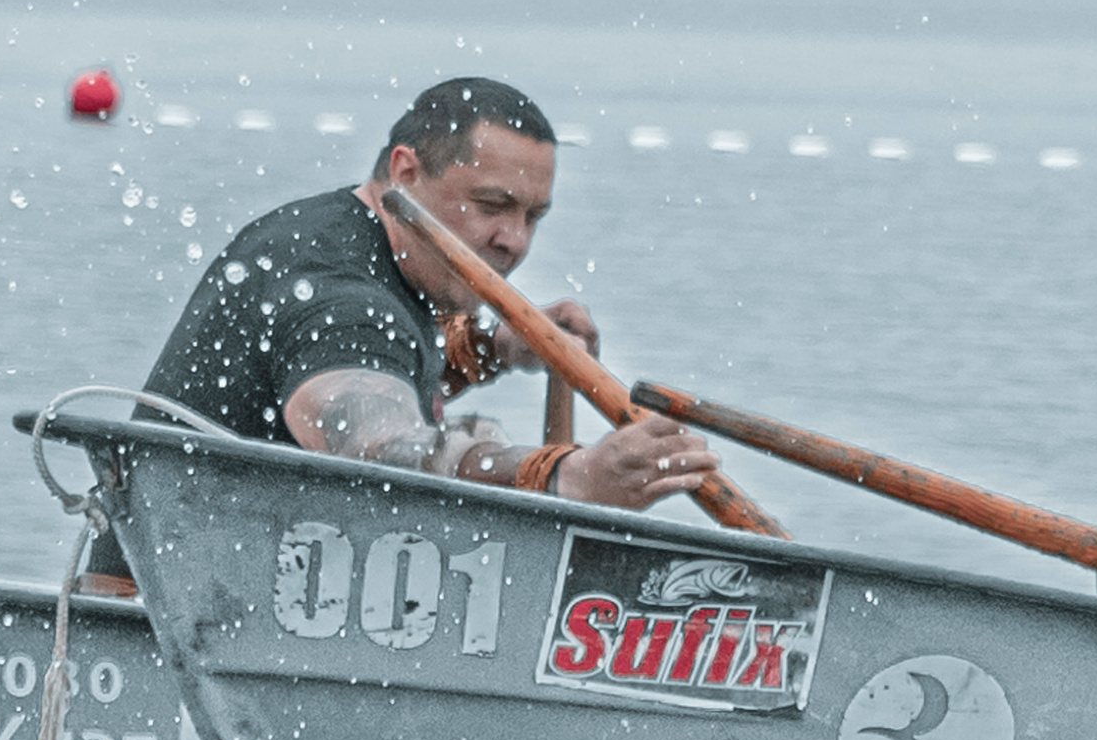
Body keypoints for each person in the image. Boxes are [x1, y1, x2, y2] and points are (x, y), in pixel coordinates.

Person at [135, 76, 717, 506]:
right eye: (491, 205)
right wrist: (567, 476)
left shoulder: (351, 241)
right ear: (406, 173)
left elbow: (392, 360)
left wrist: (491, 348)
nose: (514, 241)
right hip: (156, 605)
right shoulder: (342, 298)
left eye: (533, 216)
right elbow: (381, 451)